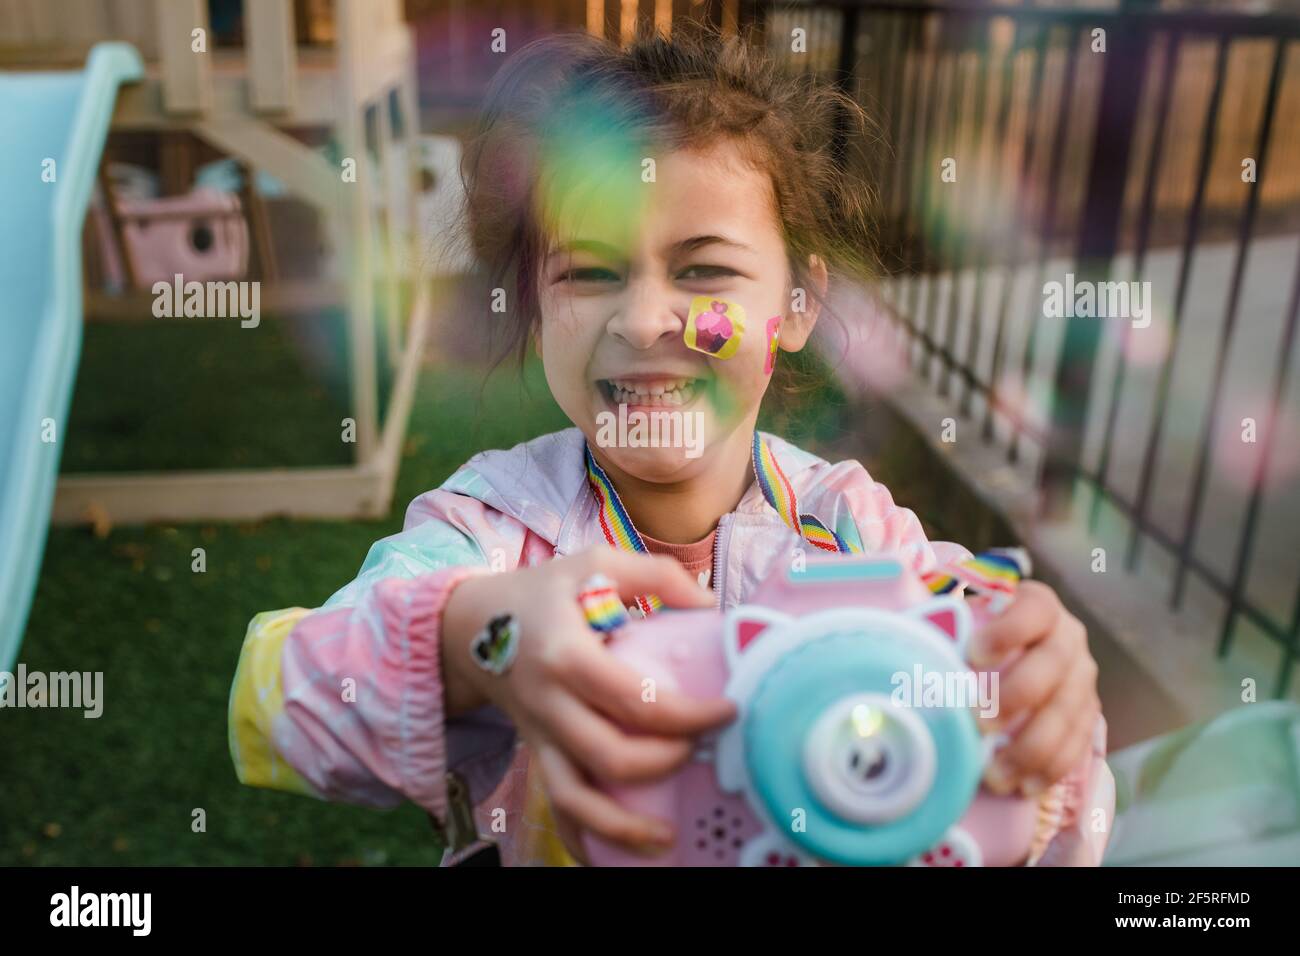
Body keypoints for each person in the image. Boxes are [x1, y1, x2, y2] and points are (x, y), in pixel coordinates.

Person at [228, 25, 1108, 867]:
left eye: (704, 269)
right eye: (589, 272)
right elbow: (283, 701)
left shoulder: (858, 532)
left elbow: (1042, 795)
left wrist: (1043, 712)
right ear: (536, 310)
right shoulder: (490, 531)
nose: (645, 319)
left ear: (796, 304)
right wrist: (481, 641)